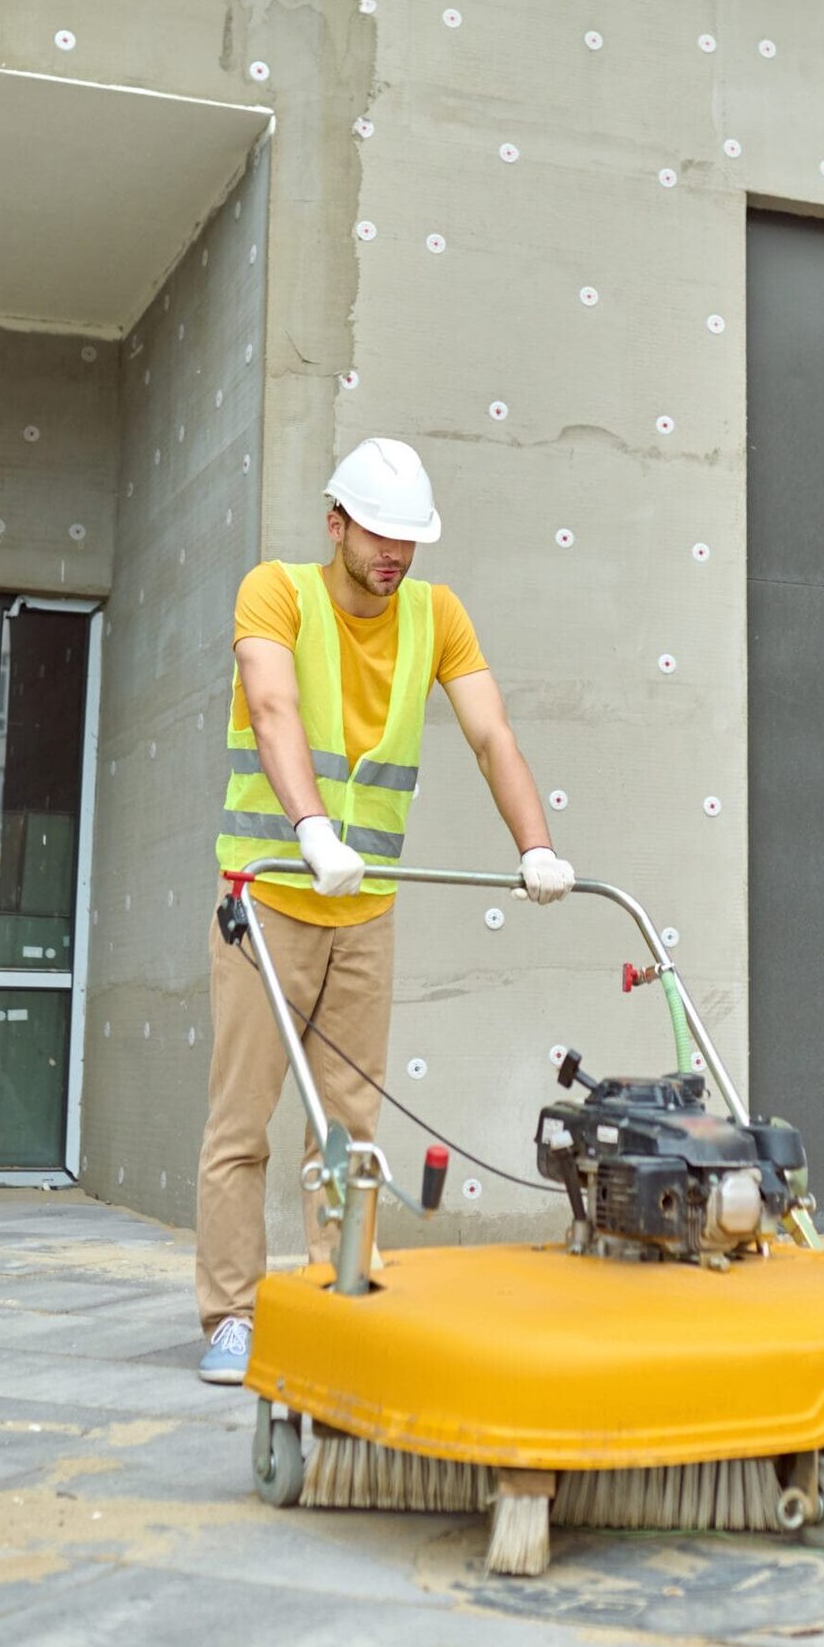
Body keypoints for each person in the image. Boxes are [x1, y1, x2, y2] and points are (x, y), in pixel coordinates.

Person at [195, 437, 575, 1382]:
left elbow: (493, 735)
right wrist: (314, 830)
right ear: (337, 524)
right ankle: (230, 1319)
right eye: (378, 532)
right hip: (269, 897)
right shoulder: (274, 592)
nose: (395, 552)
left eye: (410, 536)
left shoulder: (435, 615)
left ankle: (340, 1306)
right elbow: (274, 710)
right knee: (241, 1125)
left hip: (365, 912)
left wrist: (536, 845)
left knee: (350, 1129)